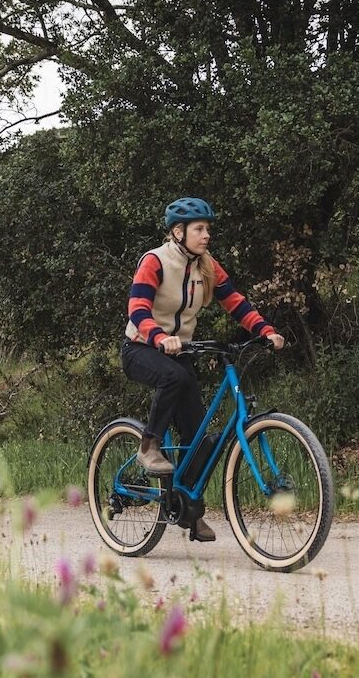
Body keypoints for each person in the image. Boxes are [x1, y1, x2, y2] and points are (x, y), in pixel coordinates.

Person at [121, 197, 285, 542]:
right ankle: (148, 446)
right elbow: (137, 308)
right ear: (178, 232)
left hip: (179, 351)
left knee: (200, 438)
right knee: (174, 377)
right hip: (141, 347)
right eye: (199, 228)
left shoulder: (207, 266)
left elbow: (235, 301)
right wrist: (159, 337)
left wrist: (264, 330)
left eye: (208, 229)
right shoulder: (156, 261)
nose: (206, 235)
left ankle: (189, 511)